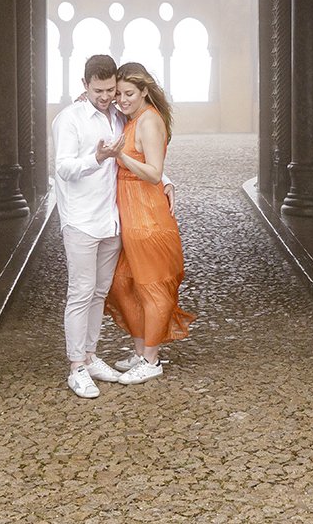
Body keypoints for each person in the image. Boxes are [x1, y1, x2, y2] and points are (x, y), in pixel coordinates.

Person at [104, 61, 194, 383]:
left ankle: (152, 360)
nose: (122, 99)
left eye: (129, 93)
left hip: (149, 220)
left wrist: (120, 157)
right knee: (119, 284)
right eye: (118, 94)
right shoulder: (131, 119)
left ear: (145, 91)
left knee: (152, 289)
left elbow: (154, 173)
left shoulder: (150, 121)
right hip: (131, 219)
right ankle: (141, 350)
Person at [51, 54, 129, 399]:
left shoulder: (117, 114)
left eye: (110, 89)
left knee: (99, 291)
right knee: (80, 293)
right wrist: (96, 158)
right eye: (98, 90)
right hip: (80, 220)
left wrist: (165, 178)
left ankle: (92, 356)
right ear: (85, 85)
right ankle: (76, 367)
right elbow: (63, 168)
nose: (106, 96)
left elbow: (133, 157)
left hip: (110, 219)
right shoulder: (69, 119)